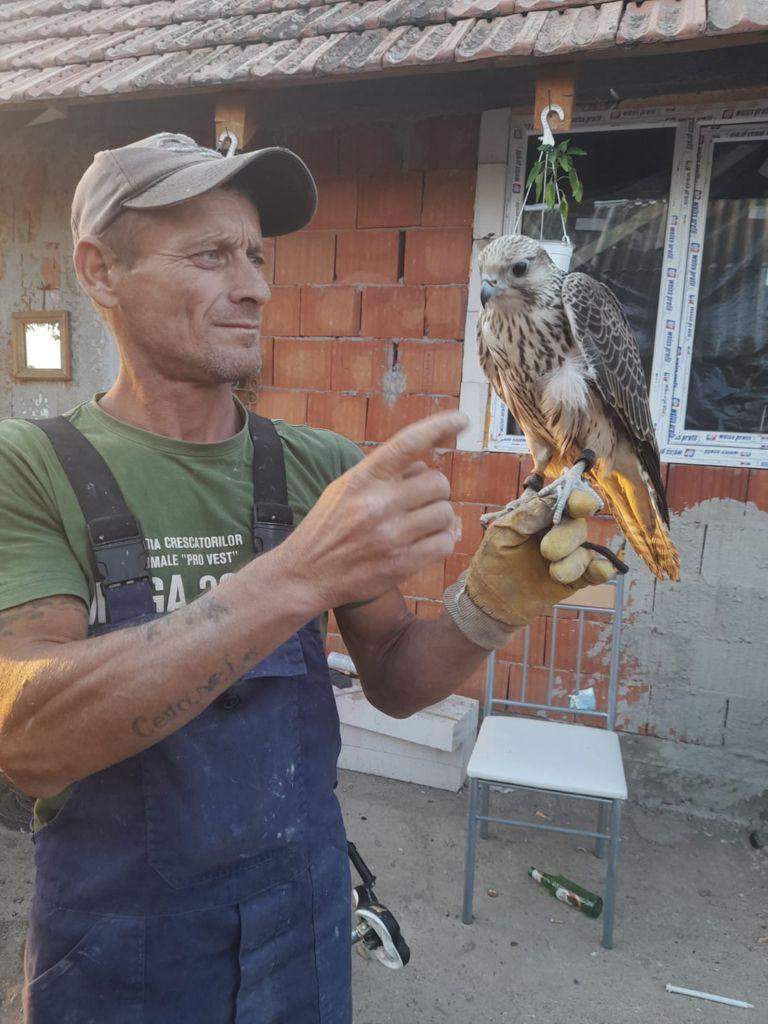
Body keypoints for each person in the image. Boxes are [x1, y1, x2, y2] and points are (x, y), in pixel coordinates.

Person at [0, 133, 614, 1023]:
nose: (252, 285)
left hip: (304, 923)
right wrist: (296, 574)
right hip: (117, 948)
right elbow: (29, 736)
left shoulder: (319, 464)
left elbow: (399, 679)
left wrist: (492, 601)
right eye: (210, 255)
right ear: (100, 272)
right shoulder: (32, 465)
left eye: (256, 255)